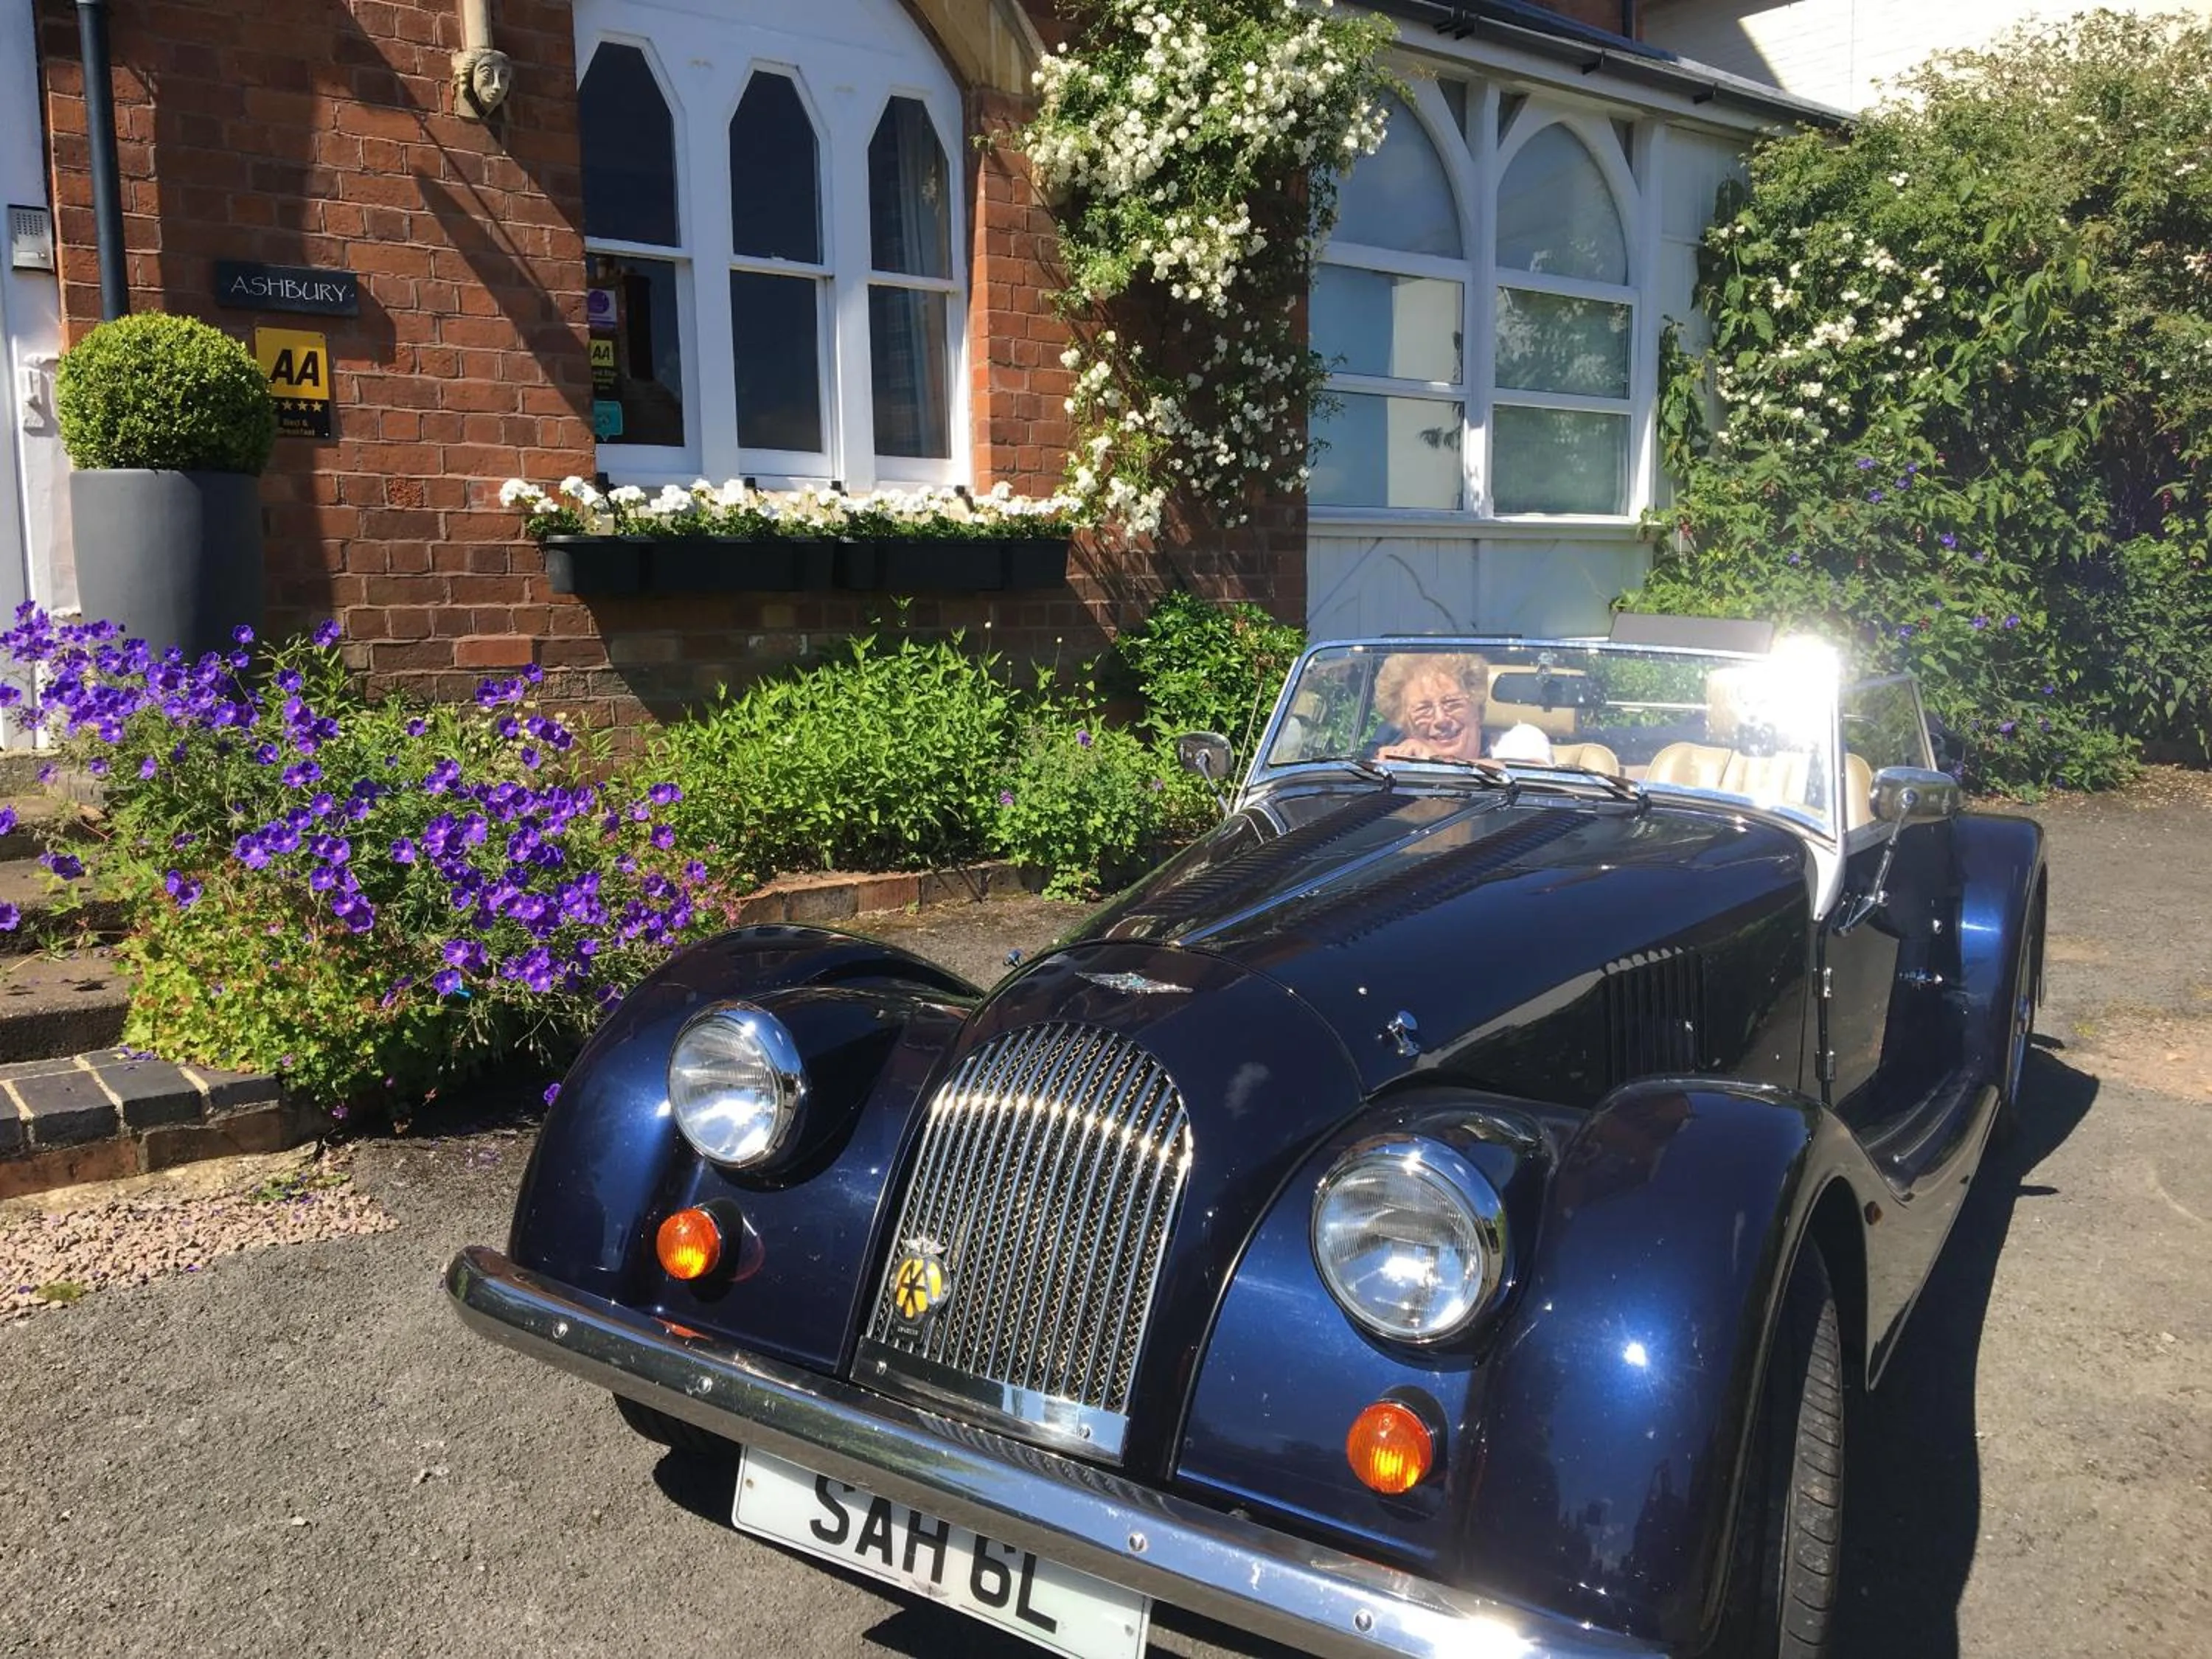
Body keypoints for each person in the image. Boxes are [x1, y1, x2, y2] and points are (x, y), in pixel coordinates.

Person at [1372, 652, 1554, 765]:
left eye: (1452, 703)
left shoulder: (1520, 741)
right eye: (1423, 709)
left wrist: (1436, 763)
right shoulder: (1400, 763)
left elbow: (1532, 776)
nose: (1441, 719)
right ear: (1404, 724)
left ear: (1476, 706)